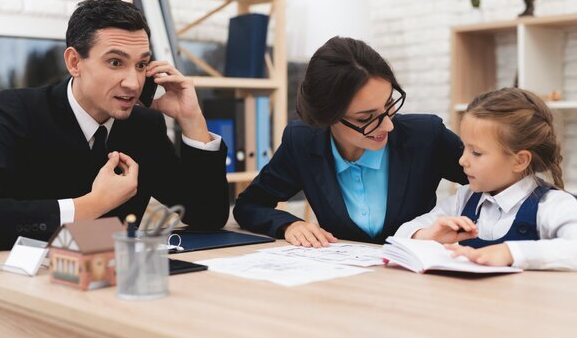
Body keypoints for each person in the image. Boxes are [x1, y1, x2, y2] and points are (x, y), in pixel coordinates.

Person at [0, 0, 229, 253]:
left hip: (117, 284)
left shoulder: (144, 124)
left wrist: (192, 118)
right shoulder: (17, 111)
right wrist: (93, 204)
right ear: (75, 62)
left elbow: (207, 216)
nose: (133, 83)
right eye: (115, 62)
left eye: (141, 65)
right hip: (31, 283)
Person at [233, 36, 467, 247]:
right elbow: (250, 205)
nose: (388, 125)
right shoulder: (303, 142)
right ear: (328, 117)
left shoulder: (425, 136)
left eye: (388, 104)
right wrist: (290, 225)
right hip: (344, 283)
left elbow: (498, 180)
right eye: (366, 118)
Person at [395, 88, 577, 270]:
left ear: (519, 161)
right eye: (463, 148)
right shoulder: (463, 199)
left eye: (476, 152)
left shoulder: (553, 204)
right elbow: (400, 235)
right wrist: (427, 234)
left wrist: (509, 253)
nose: (462, 160)